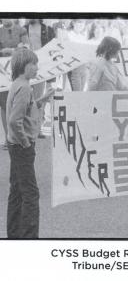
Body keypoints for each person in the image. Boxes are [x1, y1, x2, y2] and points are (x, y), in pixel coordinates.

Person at [6, 48, 55, 238]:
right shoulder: (25, 87)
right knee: (31, 194)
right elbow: (14, 121)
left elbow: (27, 110)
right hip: (21, 145)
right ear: (22, 66)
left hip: (15, 144)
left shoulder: (19, 84)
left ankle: (14, 233)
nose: (36, 67)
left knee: (17, 190)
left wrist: (43, 98)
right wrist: (26, 143)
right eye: (32, 64)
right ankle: (28, 236)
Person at [0, 19, 29, 149]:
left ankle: (20, 136)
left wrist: (10, 50)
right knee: (5, 104)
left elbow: (26, 47)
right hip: (2, 73)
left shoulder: (21, 30)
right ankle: (8, 138)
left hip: (18, 71)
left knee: (19, 104)